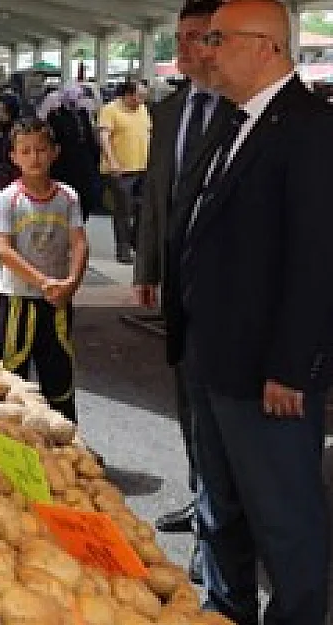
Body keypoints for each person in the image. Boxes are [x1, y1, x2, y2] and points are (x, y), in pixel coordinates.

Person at [166, 1, 333, 623]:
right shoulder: (232, 121)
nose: (205, 50)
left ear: (265, 45)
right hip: (212, 356)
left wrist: (293, 366)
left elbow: (317, 259)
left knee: (284, 518)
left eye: (216, 38)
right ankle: (225, 609)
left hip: (268, 372)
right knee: (222, 507)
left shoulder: (311, 128)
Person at [134, 0, 232, 557]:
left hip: (221, 284)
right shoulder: (169, 112)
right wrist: (147, 267)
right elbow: (155, 197)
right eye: (180, 37)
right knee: (187, 397)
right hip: (176, 280)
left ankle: (221, 525)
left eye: (197, 37)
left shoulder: (240, 112)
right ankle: (201, 498)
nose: (184, 48)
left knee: (221, 406)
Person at [0, 118, 88, 424]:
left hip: (57, 300)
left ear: (54, 152)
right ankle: (14, 437)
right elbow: (4, 250)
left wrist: (71, 282)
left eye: (41, 150)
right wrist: (42, 281)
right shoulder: (8, 199)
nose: (34, 157)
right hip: (19, 299)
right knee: (12, 370)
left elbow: (80, 243)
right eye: (26, 151)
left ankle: (65, 442)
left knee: (59, 371)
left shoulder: (68, 197)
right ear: (14, 156)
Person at [98, 81, 151, 264]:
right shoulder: (110, 110)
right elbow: (104, 137)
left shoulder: (143, 109)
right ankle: (123, 249)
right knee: (123, 211)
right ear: (128, 95)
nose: (143, 100)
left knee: (142, 209)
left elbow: (148, 133)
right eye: (140, 96)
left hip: (143, 168)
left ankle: (135, 241)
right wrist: (112, 161)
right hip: (120, 170)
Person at [47, 85, 103, 220]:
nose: (77, 101)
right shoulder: (55, 115)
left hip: (85, 162)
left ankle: (80, 221)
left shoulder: (83, 114)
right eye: (74, 97)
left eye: (79, 97)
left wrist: (96, 156)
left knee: (88, 195)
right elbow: (53, 140)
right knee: (65, 197)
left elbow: (89, 137)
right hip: (64, 163)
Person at [0, 93, 22, 191]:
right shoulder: (1, 129)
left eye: (3, 111)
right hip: (2, 178)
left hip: (15, 179)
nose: (0, 114)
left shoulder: (18, 130)